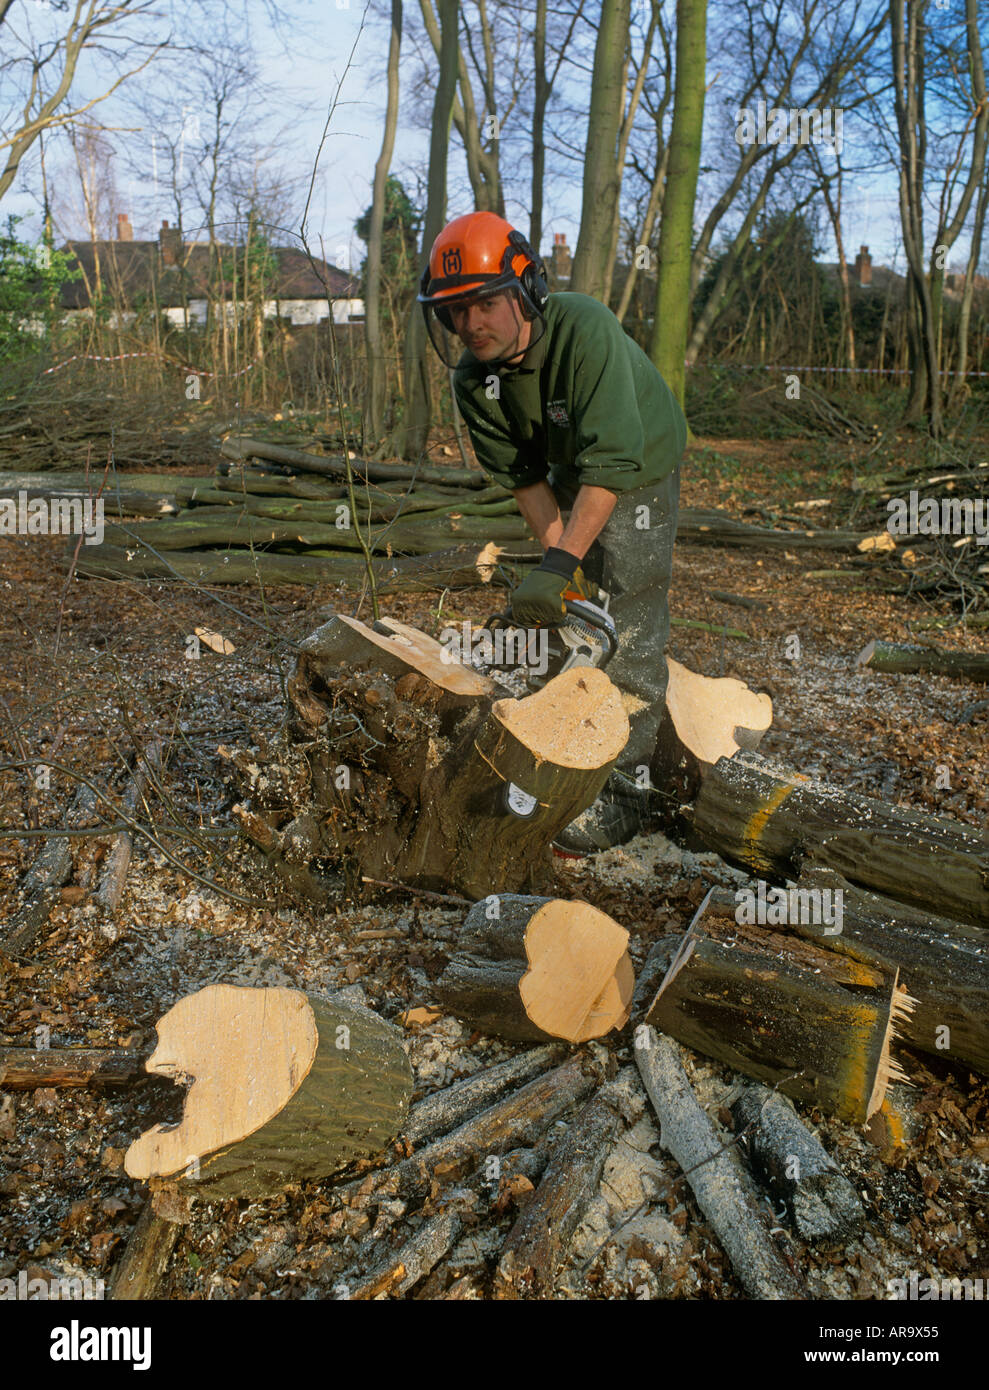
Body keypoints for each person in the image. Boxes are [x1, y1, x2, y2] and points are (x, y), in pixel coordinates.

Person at [418, 210, 687, 852]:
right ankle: (561, 745)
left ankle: (630, 791)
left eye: (484, 304)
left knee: (629, 606)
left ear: (526, 289)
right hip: (565, 465)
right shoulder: (472, 378)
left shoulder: (583, 328)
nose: (471, 324)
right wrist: (556, 567)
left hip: (635, 464)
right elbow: (523, 476)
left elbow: (611, 468)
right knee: (571, 609)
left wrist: (568, 562)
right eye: (455, 311)